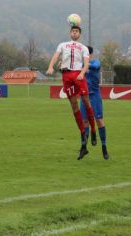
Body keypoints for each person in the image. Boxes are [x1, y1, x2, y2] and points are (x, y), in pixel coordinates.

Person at [46, 26, 96, 160]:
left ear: (79, 34)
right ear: (70, 33)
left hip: (78, 75)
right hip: (66, 76)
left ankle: (93, 130)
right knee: (74, 106)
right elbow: (56, 57)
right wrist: (51, 66)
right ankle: (83, 135)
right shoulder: (63, 45)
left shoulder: (83, 48)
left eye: (77, 31)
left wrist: (82, 73)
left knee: (86, 101)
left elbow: (86, 63)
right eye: (73, 31)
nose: (74, 33)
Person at [80, 46, 109, 160]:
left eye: (87, 54)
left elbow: (95, 66)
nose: (85, 56)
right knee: (84, 121)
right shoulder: (80, 65)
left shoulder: (95, 63)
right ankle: (83, 147)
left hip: (95, 97)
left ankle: (104, 147)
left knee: (99, 121)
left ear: (91, 55)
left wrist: (85, 65)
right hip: (84, 97)